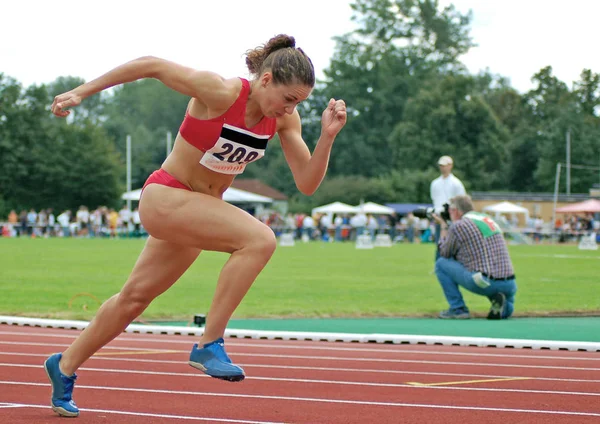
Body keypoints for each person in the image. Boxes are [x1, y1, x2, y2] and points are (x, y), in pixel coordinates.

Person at [44, 34, 347, 418]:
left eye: (299, 103)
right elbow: (151, 64)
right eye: (288, 99)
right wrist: (80, 93)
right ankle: (209, 343)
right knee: (259, 240)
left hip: (197, 210)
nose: (290, 109)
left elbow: (306, 182)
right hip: (166, 196)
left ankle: (64, 365)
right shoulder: (219, 92)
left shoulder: (284, 120)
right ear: (266, 79)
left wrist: (327, 137)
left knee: (133, 299)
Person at [432, 195, 517, 320]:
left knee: (441, 264)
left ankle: (458, 309)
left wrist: (444, 226)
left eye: (450, 210)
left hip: (484, 282)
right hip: (509, 283)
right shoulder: (489, 220)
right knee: (506, 305)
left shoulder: (459, 225)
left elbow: (444, 253)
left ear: (456, 211)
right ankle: (503, 306)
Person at [430, 155, 466, 249]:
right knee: (440, 244)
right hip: (439, 217)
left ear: (450, 166)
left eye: (445, 165)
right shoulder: (435, 183)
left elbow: (461, 201)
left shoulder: (456, 183)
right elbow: (434, 199)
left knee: (452, 246)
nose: (443, 168)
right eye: (441, 165)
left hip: (453, 218)